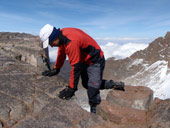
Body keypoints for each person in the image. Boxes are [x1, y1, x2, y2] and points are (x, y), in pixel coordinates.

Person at [39, 24, 125, 113]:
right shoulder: (62, 35)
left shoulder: (71, 41)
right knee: (86, 84)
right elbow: (62, 53)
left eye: (50, 43)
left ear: (54, 38)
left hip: (95, 60)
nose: (51, 46)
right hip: (85, 59)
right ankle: (114, 84)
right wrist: (56, 68)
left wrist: (72, 88)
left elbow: (76, 68)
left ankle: (95, 112)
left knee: (92, 88)